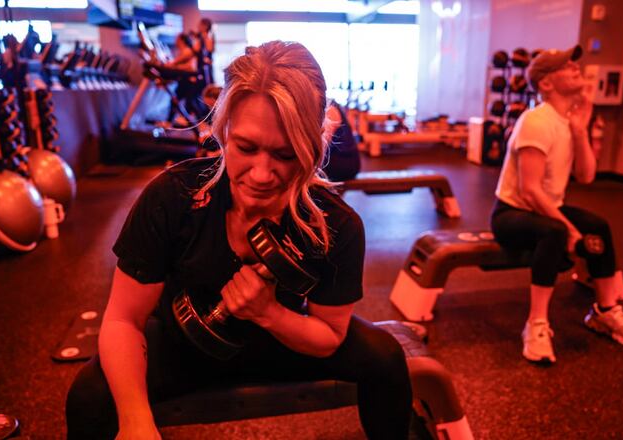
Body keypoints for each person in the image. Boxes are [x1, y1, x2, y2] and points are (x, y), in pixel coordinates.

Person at [66, 41, 412, 439]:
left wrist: (268, 313)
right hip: (184, 346)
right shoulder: (173, 197)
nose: (261, 174)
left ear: (311, 147)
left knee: (385, 357)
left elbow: (329, 336)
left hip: (285, 341)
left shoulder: (334, 224)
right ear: (224, 129)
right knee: (91, 394)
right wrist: (136, 422)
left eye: (285, 155)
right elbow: (123, 320)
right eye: (246, 148)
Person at [490, 45, 623, 364]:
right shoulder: (536, 121)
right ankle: (536, 323)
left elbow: (586, 176)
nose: (576, 68)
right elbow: (530, 191)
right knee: (554, 231)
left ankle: (605, 311)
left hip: (546, 208)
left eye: (575, 64)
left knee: (598, 226)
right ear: (547, 83)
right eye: (567, 66)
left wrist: (579, 130)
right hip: (511, 214)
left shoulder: (567, 121)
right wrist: (570, 230)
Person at [323, 99, 361, 182]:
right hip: (333, 161)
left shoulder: (330, 108)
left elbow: (322, 147)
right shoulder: (323, 104)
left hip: (344, 164)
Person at [190, 17, 215, 87]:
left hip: (204, 69)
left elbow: (208, 51)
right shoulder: (200, 38)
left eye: (200, 24)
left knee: (206, 88)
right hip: (200, 67)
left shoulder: (208, 38)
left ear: (206, 26)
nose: (198, 26)